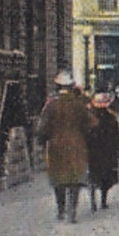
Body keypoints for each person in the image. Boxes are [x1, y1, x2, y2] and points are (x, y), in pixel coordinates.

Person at [36, 71, 94, 223]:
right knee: (75, 180)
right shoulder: (78, 104)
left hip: (56, 146)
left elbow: (42, 127)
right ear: (70, 86)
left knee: (59, 179)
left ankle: (61, 209)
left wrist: (43, 140)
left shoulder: (51, 105)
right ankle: (72, 212)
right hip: (77, 145)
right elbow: (91, 123)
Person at [86, 91, 119, 210]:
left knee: (92, 176)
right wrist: (118, 150)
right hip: (107, 152)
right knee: (105, 179)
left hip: (93, 152)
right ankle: (103, 201)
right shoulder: (112, 117)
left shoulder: (90, 118)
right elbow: (116, 136)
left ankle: (93, 201)